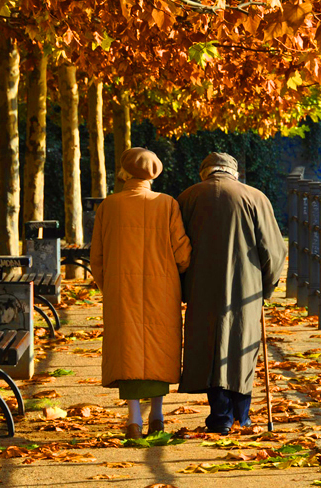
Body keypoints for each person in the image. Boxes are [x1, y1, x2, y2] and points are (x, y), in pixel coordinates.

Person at [177, 152, 287, 435]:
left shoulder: (188, 197)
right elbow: (273, 251)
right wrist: (267, 286)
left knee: (210, 346)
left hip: (201, 285)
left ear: (205, 172)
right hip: (246, 285)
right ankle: (242, 415)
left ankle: (219, 415)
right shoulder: (255, 197)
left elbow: (177, 246)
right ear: (233, 172)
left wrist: (181, 285)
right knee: (242, 345)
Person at [90, 148, 191, 440]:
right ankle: (157, 415)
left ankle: (134, 419)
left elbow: (97, 256)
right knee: (160, 347)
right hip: (163, 288)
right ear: (154, 173)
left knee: (129, 349)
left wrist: (108, 286)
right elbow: (182, 253)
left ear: (125, 171)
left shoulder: (109, 206)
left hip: (122, 291)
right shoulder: (167, 204)